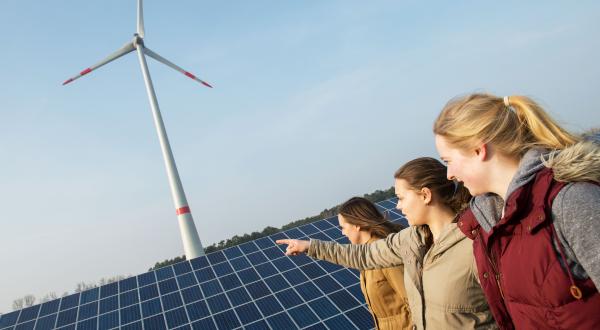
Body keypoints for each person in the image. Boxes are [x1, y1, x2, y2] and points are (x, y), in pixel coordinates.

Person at [433, 93, 600, 329]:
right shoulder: (490, 224)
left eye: (448, 160)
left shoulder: (570, 202)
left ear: (478, 150)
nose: (449, 174)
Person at [278, 157, 496, 329]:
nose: (398, 207)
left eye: (401, 198)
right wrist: (310, 246)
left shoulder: (474, 243)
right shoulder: (410, 241)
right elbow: (363, 255)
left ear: (425, 195)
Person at [332, 197, 411, 329]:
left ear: (357, 225)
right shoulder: (369, 256)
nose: (342, 232)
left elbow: (414, 302)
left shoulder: (384, 255)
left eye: (344, 227)